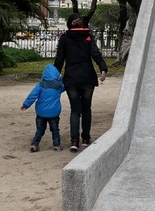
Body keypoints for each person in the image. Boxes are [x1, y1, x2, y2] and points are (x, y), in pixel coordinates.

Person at [54, 12, 108, 152]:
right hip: (87, 77)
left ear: (69, 24)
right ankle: (85, 138)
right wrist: (103, 69)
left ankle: (74, 141)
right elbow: (96, 54)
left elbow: (59, 60)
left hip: (71, 78)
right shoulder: (88, 36)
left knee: (74, 110)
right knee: (86, 108)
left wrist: (54, 75)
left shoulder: (65, 38)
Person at [20, 64, 65, 152]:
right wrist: (62, 78)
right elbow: (65, 85)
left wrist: (26, 104)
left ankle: (35, 144)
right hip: (54, 112)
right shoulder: (59, 86)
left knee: (40, 129)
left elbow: (32, 95)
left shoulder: (40, 85)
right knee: (55, 129)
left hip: (41, 112)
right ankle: (57, 144)